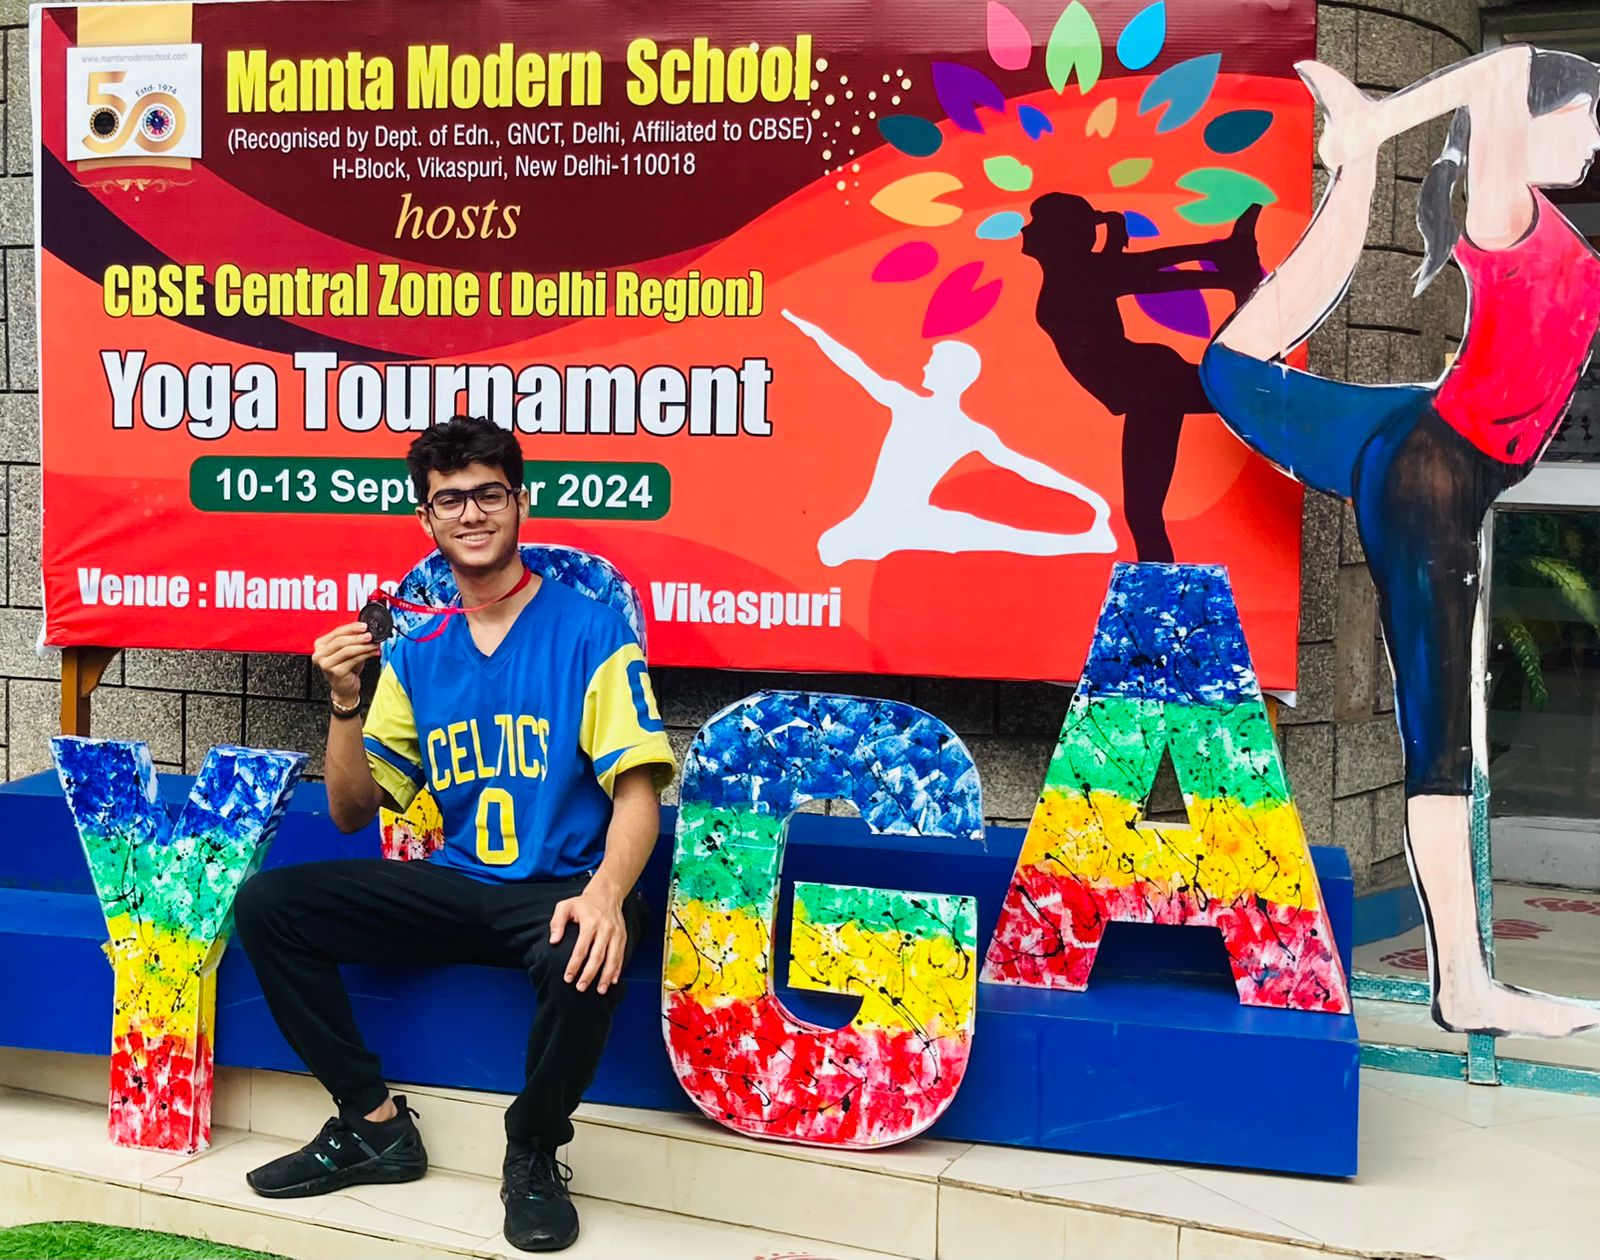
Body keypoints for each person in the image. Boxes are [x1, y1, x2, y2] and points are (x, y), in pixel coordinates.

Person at [1201, 47, 1600, 1038]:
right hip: (1432, 469)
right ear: (1527, 127)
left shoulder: (1537, 225)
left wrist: (1364, 148)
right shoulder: (1505, 214)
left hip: (1414, 430)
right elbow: (1503, 65)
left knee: (1232, 367)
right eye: (1582, 115)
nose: (1594, 136)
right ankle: (1460, 982)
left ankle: (1354, 180)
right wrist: (1382, 120)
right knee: (1440, 739)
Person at [232, 416, 675, 1252]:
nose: (471, 514)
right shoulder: (418, 648)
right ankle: (373, 1124)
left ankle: (535, 1150)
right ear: (425, 519)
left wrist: (608, 895)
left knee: (587, 949)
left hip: (558, 890)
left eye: (487, 494)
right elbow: (354, 812)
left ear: (520, 502)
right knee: (271, 904)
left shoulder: (590, 629)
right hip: (459, 883)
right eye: (449, 500)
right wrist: (343, 700)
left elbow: (639, 793)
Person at [1022, 192, 1263, 562]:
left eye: (1037, 222)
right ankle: (1237, 271)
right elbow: (1129, 271)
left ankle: (1158, 597)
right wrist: (1220, 267)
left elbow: (1136, 273)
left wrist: (1221, 270)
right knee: (1145, 513)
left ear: (1061, 236)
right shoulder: (1078, 273)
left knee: (1144, 514)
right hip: (1145, 386)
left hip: (1149, 387)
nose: (1026, 229)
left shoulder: (1078, 275)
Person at [782, 309, 1117, 565]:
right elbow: (855, 367)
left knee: (1009, 538)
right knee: (828, 550)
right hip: (885, 521)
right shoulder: (933, 415)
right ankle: (1090, 542)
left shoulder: (925, 412)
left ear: (949, 374)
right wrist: (814, 334)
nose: (925, 367)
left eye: (932, 362)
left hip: (908, 520)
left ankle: (1093, 542)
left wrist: (1087, 495)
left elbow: (1027, 469)